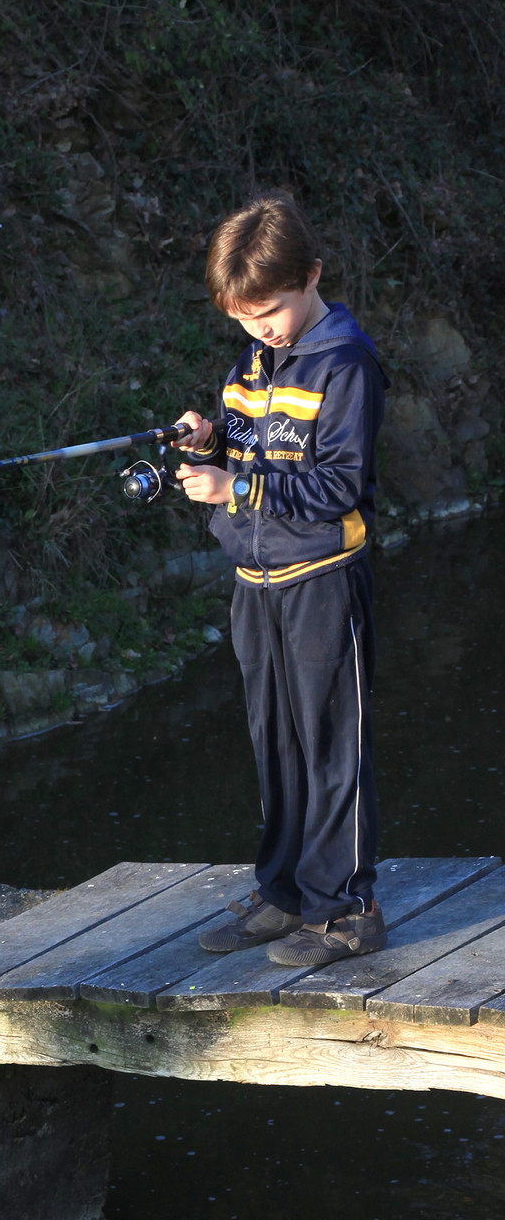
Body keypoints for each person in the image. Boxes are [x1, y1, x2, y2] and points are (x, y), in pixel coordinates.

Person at [173, 193, 389, 966]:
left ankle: (349, 911)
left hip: (324, 582)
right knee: (276, 746)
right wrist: (211, 443)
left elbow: (338, 488)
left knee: (333, 747)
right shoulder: (249, 366)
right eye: (242, 317)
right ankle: (287, 894)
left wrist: (235, 489)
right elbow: (246, 451)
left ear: (312, 277)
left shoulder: (346, 363)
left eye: (268, 310)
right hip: (254, 584)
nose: (258, 327)